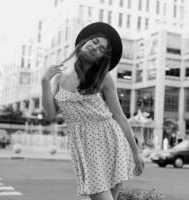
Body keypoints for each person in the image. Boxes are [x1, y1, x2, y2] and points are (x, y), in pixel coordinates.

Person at [41, 22, 144, 200]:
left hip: (111, 140)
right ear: (84, 42)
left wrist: (135, 152)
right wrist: (44, 82)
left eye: (101, 48)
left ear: (101, 58)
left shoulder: (103, 78)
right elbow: (50, 115)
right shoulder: (60, 77)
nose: (95, 47)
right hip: (83, 144)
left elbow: (119, 116)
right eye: (94, 42)